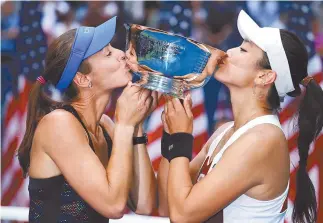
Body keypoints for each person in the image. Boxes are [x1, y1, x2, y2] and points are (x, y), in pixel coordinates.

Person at [157, 10, 323, 223]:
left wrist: (181, 136)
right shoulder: (225, 131)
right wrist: (171, 134)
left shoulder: (263, 139)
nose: (228, 52)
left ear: (265, 76)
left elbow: (182, 214)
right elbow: (165, 203)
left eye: (243, 50)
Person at [18, 16, 157, 222]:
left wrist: (136, 126)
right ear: (82, 78)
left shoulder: (106, 126)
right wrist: (126, 126)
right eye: (108, 53)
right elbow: (113, 206)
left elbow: (144, 204)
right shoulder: (58, 124)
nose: (121, 54)